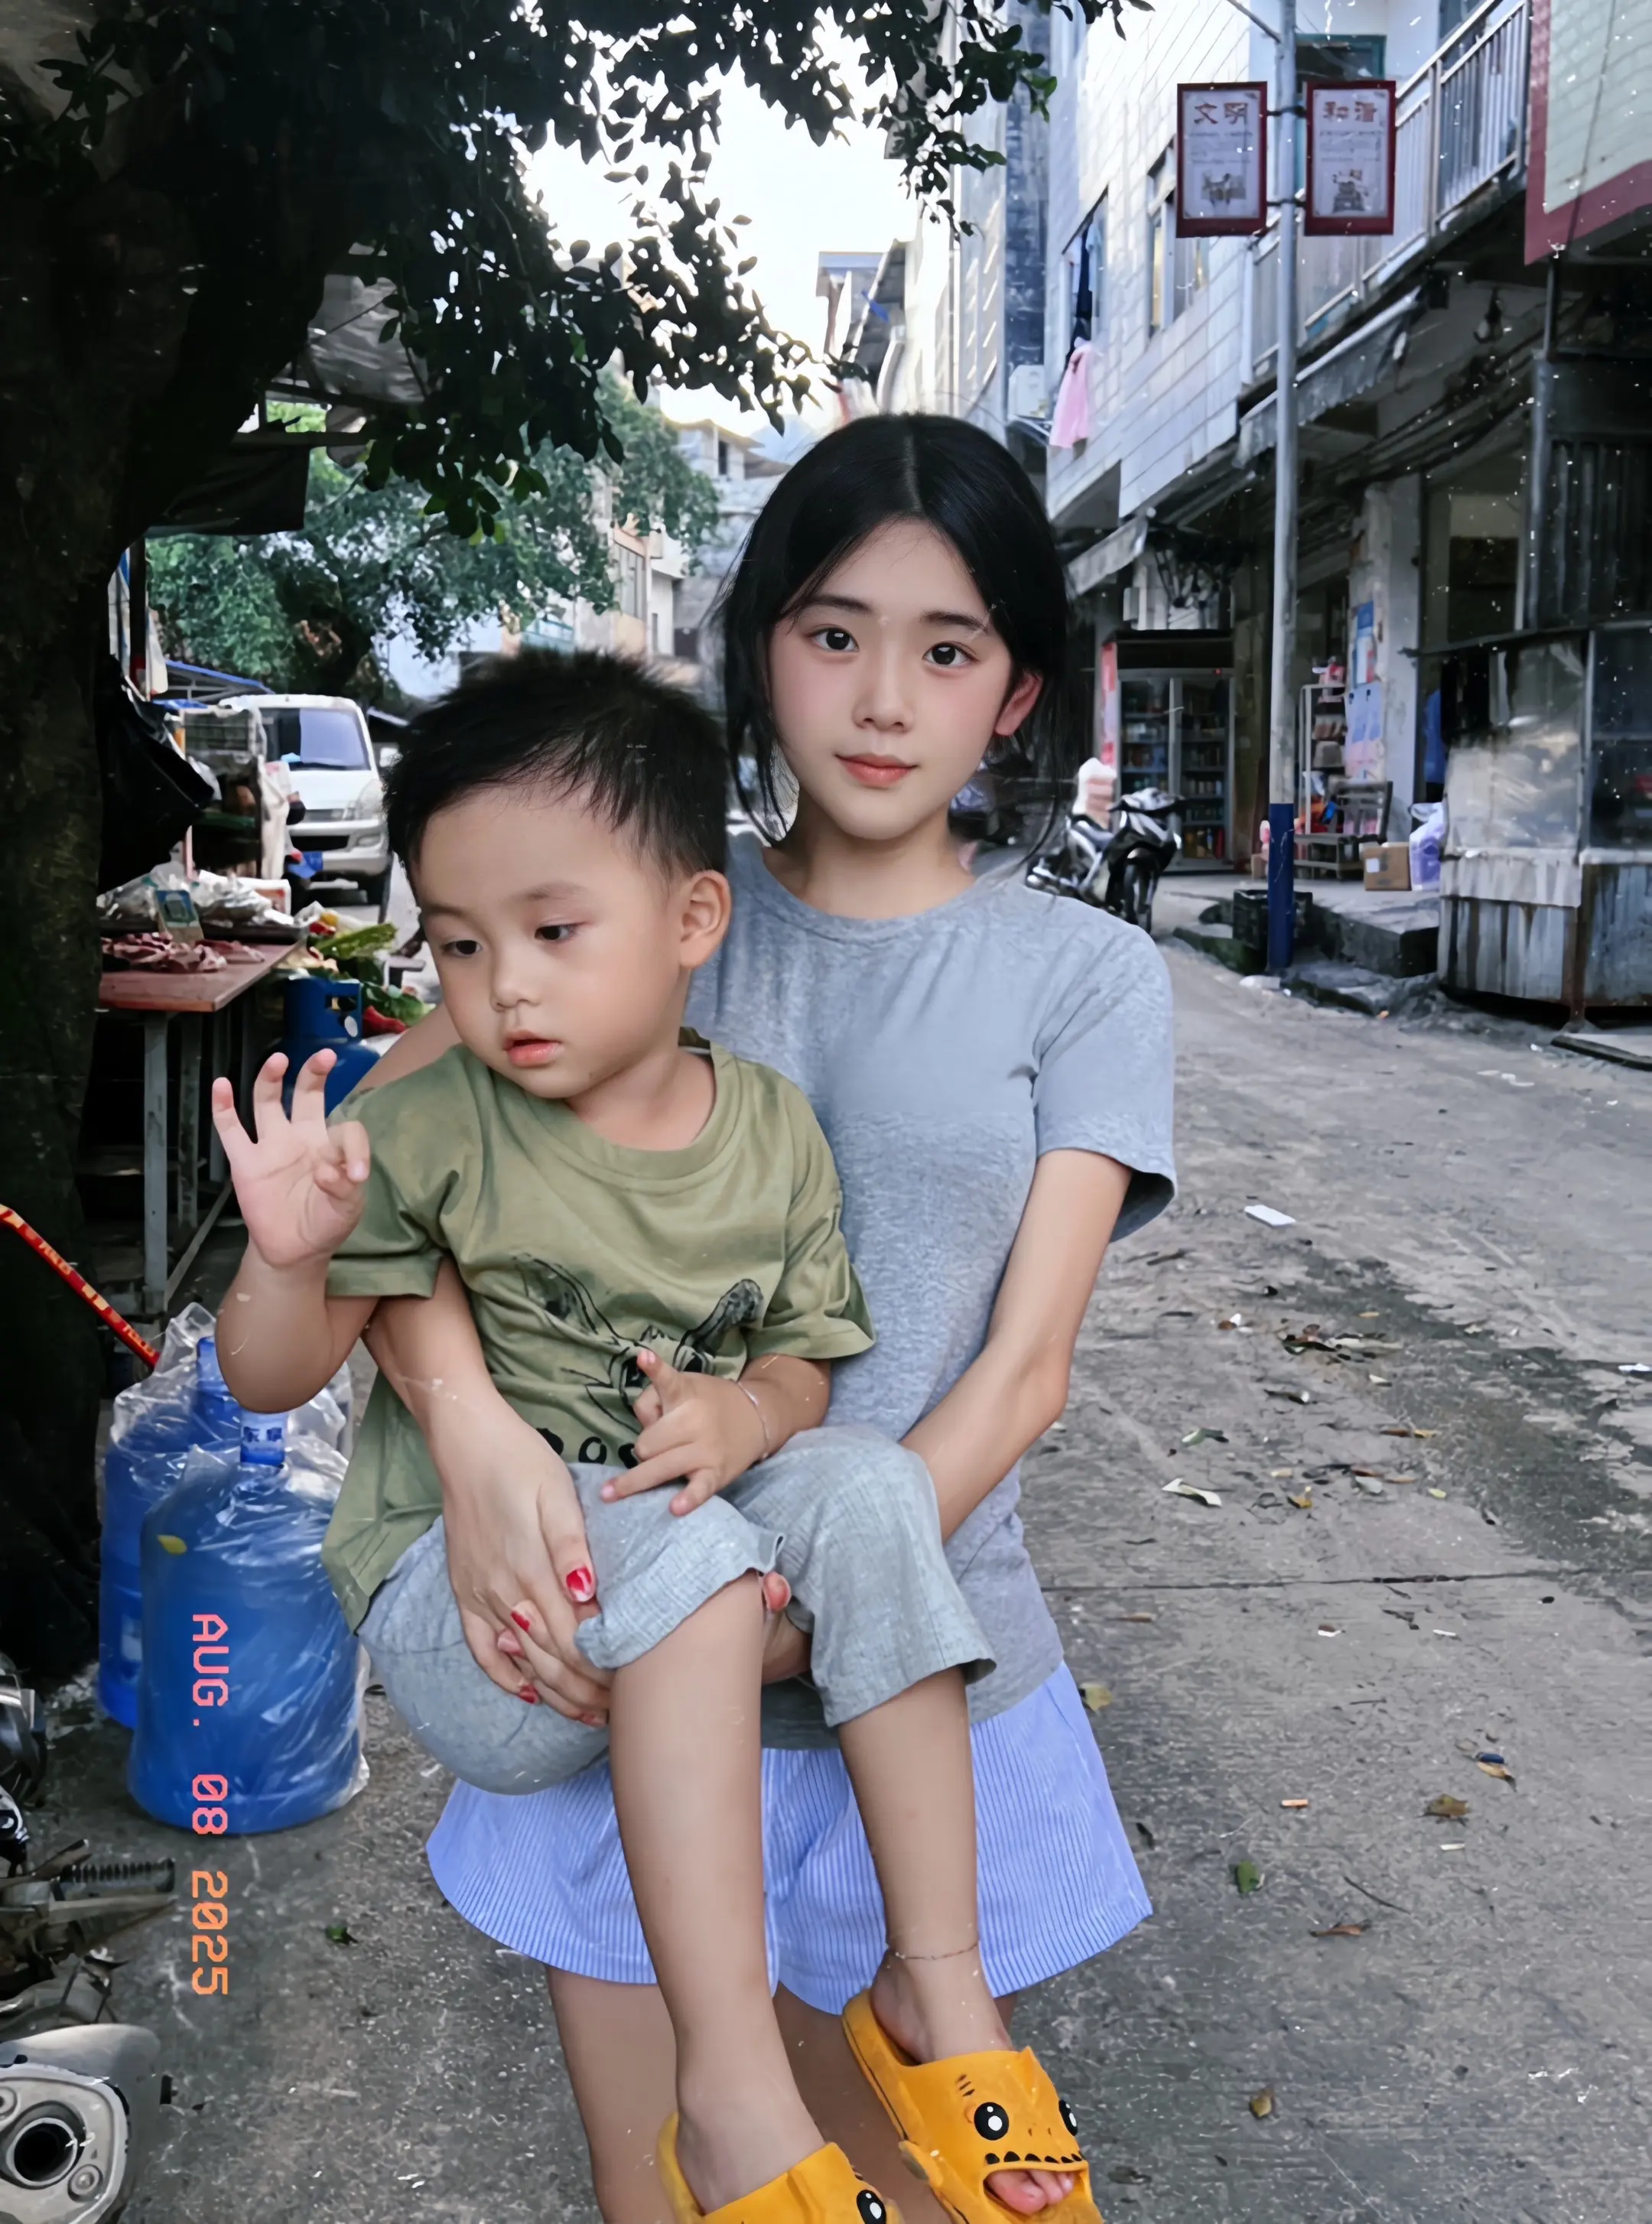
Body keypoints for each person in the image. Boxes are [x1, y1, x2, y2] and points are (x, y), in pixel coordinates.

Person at [359, 414, 1176, 2224]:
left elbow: (1024, 1369)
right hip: (630, 1654)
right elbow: (374, 1175)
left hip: (914, 1688)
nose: (882, 698)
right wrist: (474, 1438)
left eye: (947, 649)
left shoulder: (1088, 974)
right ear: (761, 649)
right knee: (674, 2186)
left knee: (907, 2189)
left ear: (1016, 695)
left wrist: (808, 1603)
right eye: (832, 632)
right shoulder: (638, 898)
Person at [209, 650, 1091, 2224]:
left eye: (553, 932)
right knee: (696, 1557)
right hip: (487, 1623)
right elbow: (274, 1377)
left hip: (668, 1558)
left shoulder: (769, 1132)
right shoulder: (427, 1124)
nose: (504, 988)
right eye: (459, 943)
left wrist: (746, 1410)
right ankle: (732, 2087)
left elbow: (806, 1361)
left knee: (872, 1491)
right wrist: (285, 1258)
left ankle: (937, 1980)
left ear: (694, 920)